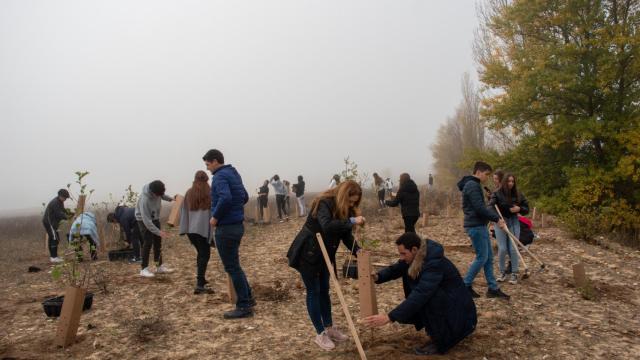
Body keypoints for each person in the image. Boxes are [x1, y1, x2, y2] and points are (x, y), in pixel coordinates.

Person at [363, 233, 477, 356]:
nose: (401, 258)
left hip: (459, 312)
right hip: (450, 306)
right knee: (424, 302)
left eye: (403, 254)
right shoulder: (415, 257)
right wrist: (378, 276)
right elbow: (397, 268)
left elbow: (422, 293)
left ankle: (442, 342)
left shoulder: (433, 263)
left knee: (429, 299)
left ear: (414, 249)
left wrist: (390, 317)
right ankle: (437, 334)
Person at [286, 180, 364, 351]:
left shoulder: (345, 209)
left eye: (354, 203)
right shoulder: (325, 203)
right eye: (350, 201)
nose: (352, 204)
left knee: (324, 289)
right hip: (309, 251)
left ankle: (329, 327)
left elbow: (344, 233)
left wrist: (358, 250)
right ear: (344, 195)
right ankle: (320, 333)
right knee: (313, 291)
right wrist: (352, 220)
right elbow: (327, 226)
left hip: (326, 252)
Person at [203, 149, 254, 319]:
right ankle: (249, 298)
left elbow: (225, 198)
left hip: (226, 228)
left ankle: (244, 306)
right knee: (235, 265)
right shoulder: (233, 173)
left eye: (208, 164)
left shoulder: (220, 177)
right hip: (237, 225)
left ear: (215, 161)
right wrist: (236, 210)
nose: (208, 168)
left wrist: (215, 217)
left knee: (232, 267)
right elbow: (244, 196)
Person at [457, 161, 509, 299]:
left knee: (489, 257)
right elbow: (479, 208)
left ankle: (492, 288)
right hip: (475, 226)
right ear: (478, 172)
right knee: (482, 257)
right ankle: (465, 285)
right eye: (486, 174)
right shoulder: (472, 185)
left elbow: (479, 206)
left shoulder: (473, 185)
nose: (487, 177)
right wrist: (497, 219)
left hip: (479, 225)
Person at [489, 173, 529, 285]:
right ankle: (502, 273)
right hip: (500, 222)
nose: (511, 183)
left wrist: (519, 209)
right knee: (502, 249)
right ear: (504, 182)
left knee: (513, 248)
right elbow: (490, 207)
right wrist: (497, 219)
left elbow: (526, 209)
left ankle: (514, 273)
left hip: (514, 222)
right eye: (508, 181)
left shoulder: (518, 194)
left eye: (512, 181)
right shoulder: (497, 193)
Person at [180, 170, 214, 294]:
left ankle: (201, 278)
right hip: (203, 229)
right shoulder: (209, 192)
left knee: (201, 253)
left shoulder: (189, 192)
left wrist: (184, 228)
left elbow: (183, 212)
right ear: (206, 180)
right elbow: (213, 211)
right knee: (205, 255)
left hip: (191, 230)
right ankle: (199, 285)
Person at [136, 180, 175, 278]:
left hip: (155, 218)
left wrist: (172, 199)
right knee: (148, 242)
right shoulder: (144, 200)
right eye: (157, 195)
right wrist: (159, 232)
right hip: (143, 220)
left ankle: (159, 267)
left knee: (158, 242)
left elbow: (163, 195)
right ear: (152, 192)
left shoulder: (157, 190)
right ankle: (143, 269)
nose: (159, 197)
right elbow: (147, 221)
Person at [43, 189, 71, 263]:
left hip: (52, 222)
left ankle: (53, 256)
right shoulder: (55, 203)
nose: (65, 199)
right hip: (50, 223)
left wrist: (70, 213)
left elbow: (63, 210)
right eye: (65, 197)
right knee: (55, 238)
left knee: (53, 238)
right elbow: (59, 214)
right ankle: (54, 257)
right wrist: (68, 217)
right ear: (60, 196)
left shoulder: (60, 202)